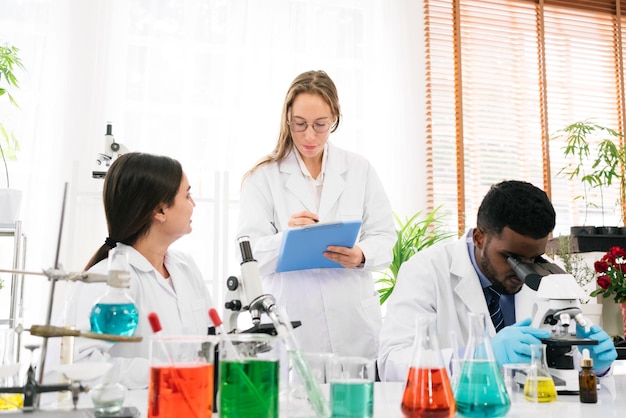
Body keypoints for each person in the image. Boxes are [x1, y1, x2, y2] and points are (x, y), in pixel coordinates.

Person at [378, 180, 617, 381]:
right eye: (512, 259)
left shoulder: (549, 278)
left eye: (533, 258)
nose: (524, 272)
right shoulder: (426, 272)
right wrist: (478, 357)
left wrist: (595, 365)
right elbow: (393, 363)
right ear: (480, 237)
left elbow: (567, 366)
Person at [236, 70, 396, 358]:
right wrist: (288, 238)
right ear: (287, 119)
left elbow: (384, 236)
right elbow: (248, 256)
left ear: (335, 118)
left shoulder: (359, 169)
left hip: (353, 322)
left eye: (320, 124)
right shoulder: (263, 177)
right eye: (300, 124)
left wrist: (361, 254)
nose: (309, 135)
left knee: (356, 397)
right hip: (296, 321)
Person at [57, 152, 215, 388]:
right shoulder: (106, 280)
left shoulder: (186, 268)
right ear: (160, 211)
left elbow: (210, 339)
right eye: (188, 195)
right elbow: (80, 363)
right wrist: (166, 371)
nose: (193, 204)